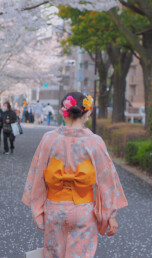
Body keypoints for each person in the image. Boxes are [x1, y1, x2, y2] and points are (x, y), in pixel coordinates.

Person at [22, 92, 128, 257]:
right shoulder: (94, 141)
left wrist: (37, 210)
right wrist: (110, 215)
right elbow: (107, 180)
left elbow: (37, 177)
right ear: (87, 113)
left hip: (54, 209)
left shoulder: (49, 139)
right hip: (83, 211)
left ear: (63, 112)